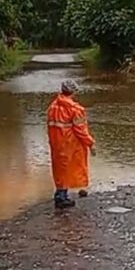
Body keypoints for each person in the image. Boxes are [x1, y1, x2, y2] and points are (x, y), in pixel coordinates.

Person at [47, 80, 96, 209]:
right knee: (69, 169)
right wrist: (91, 143)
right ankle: (62, 198)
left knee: (59, 169)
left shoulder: (52, 107)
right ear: (73, 92)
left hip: (56, 143)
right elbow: (81, 131)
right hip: (70, 144)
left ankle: (60, 194)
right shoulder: (75, 109)